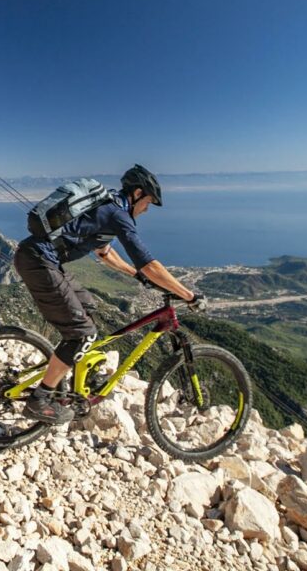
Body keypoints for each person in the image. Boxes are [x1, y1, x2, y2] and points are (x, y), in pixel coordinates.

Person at [13, 164, 201, 424]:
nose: (147, 209)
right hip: (38, 262)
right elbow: (149, 263)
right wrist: (188, 295)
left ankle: (81, 376)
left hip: (42, 260)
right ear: (137, 193)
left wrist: (136, 276)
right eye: (148, 202)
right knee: (82, 333)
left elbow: (105, 253)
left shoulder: (108, 206)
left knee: (89, 306)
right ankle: (40, 399)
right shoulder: (118, 214)